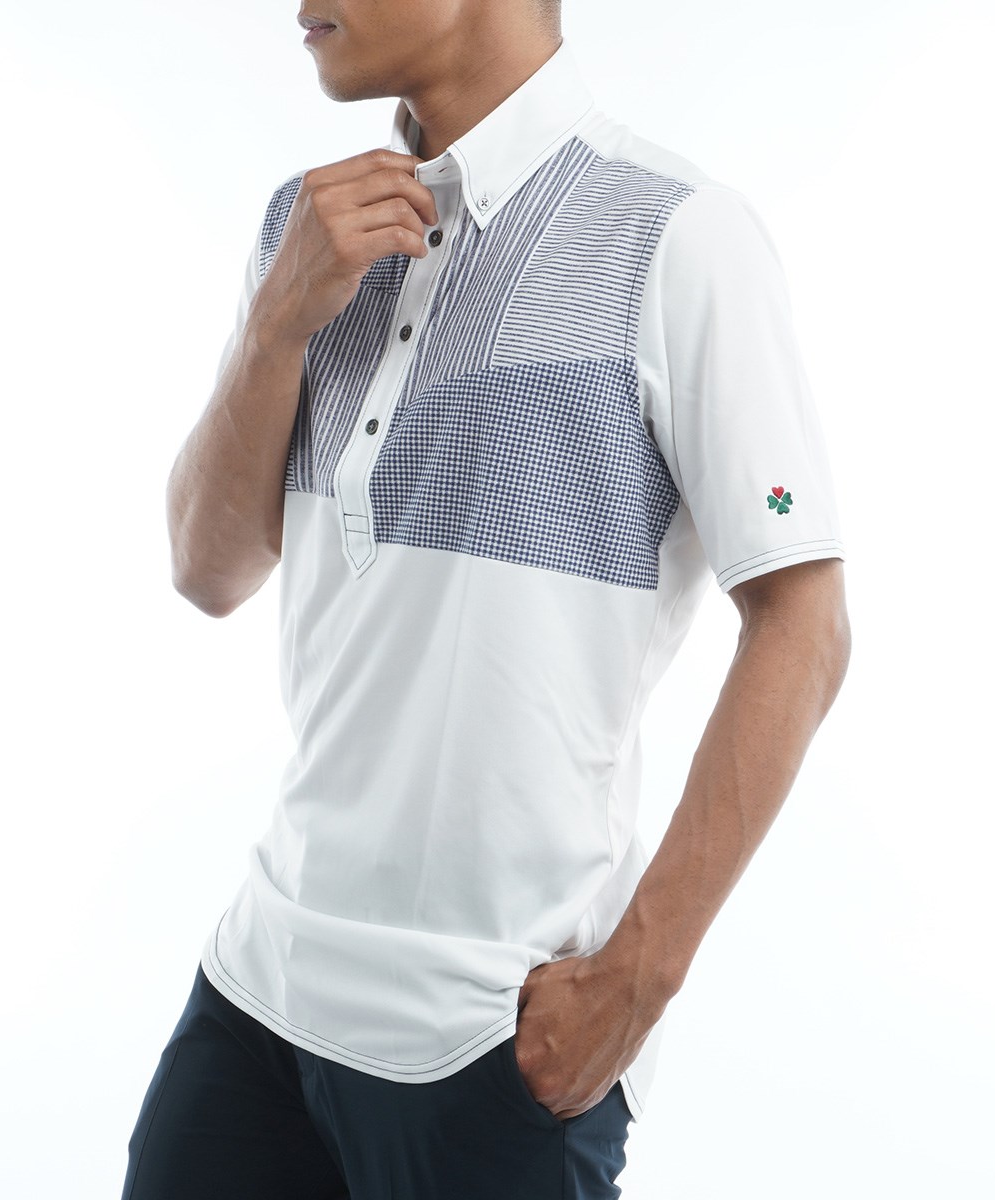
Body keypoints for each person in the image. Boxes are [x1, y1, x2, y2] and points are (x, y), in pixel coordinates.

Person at [122, 1, 852, 1196]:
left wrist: (638, 977)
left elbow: (806, 625)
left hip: (487, 1033)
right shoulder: (306, 230)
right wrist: (273, 328)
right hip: (261, 990)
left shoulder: (678, 234)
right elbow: (208, 571)